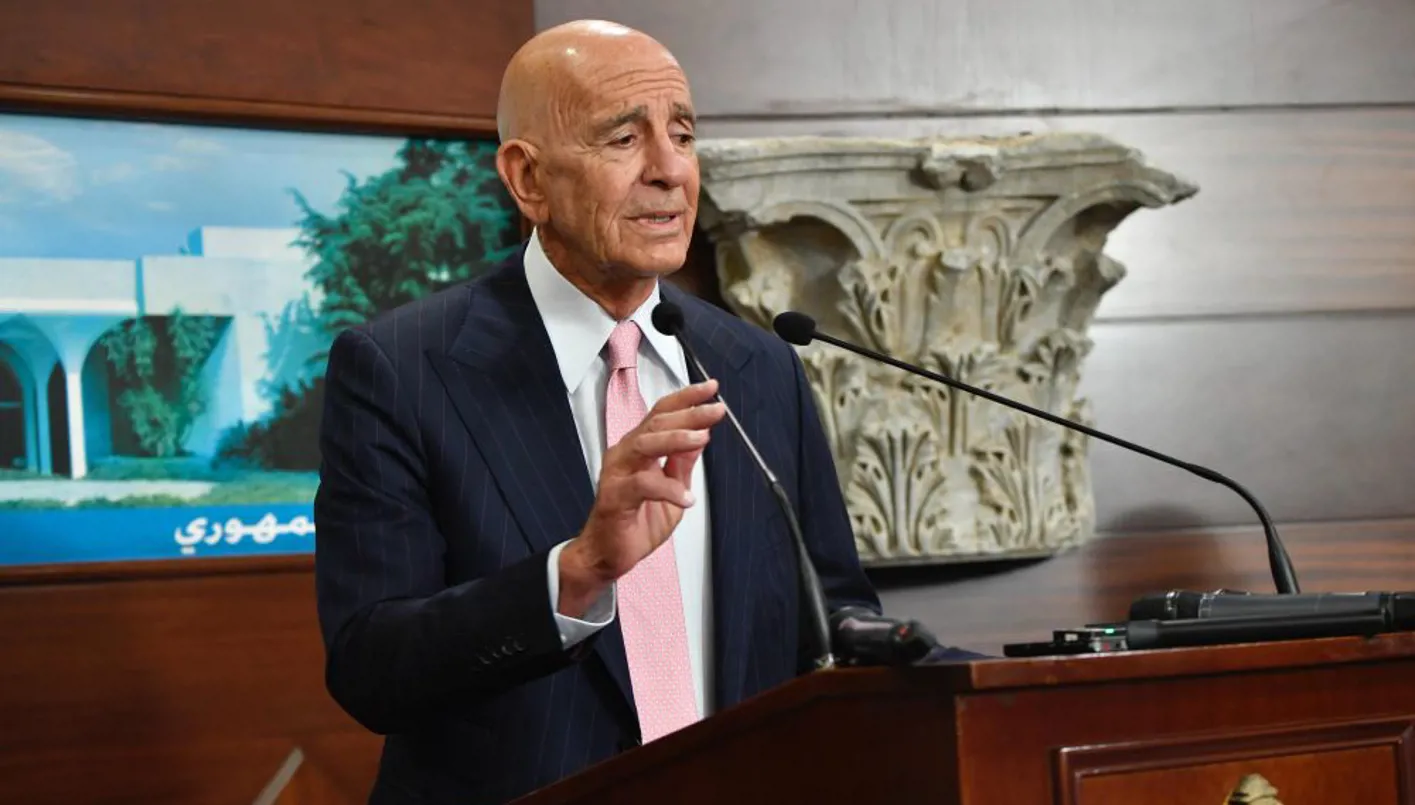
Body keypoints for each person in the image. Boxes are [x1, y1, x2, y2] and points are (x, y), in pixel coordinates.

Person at [313, 18, 881, 805]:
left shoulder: (759, 365)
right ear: (528, 179)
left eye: (682, 135)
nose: (669, 170)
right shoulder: (400, 368)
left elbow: (834, 608)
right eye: (624, 138)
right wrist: (578, 572)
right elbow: (371, 667)